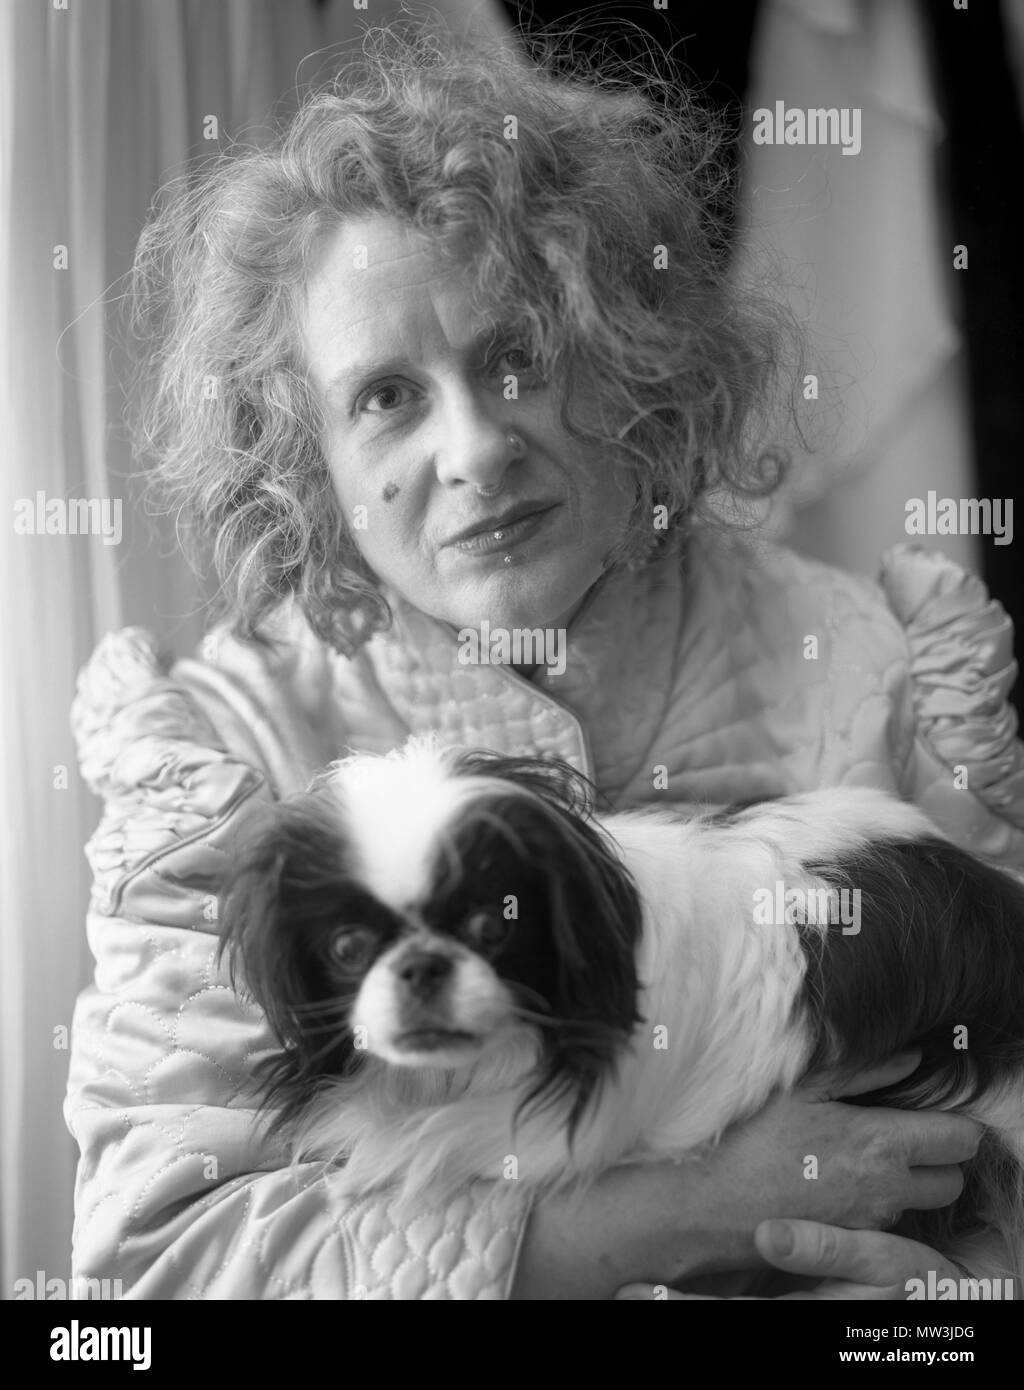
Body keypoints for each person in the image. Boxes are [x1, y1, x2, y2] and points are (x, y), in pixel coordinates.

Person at [67, 24, 1023, 1300]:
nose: (473, 450)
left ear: (630, 355)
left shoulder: (879, 654)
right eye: (385, 397)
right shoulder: (218, 746)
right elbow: (150, 1272)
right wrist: (674, 1213)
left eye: (515, 355)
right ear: (305, 461)